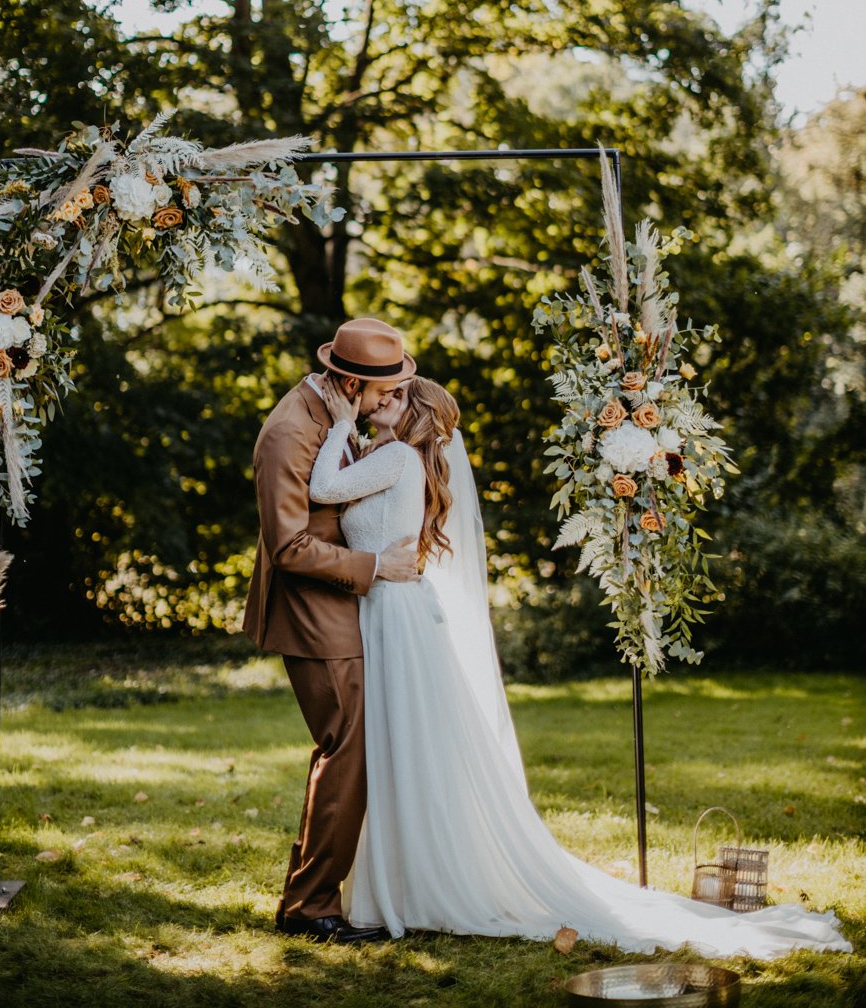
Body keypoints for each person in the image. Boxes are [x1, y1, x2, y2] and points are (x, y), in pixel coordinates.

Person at [308, 376, 852, 957]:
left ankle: (416, 886)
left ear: (413, 415)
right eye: (378, 395)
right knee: (402, 749)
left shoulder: (395, 456)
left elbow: (321, 488)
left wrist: (339, 419)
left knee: (401, 747)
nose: (378, 400)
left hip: (396, 616)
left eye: (392, 397)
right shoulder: (392, 458)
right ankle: (411, 880)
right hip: (393, 611)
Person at [242, 317, 419, 944]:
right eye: (383, 391)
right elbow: (288, 544)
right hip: (312, 612)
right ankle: (312, 908)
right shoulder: (290, 431)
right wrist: (376, 566)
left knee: (347, 753)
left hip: (342, 606)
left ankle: (308, 897)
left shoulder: (331, 417)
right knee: (348, 753)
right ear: (349, 382)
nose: (388, 402)